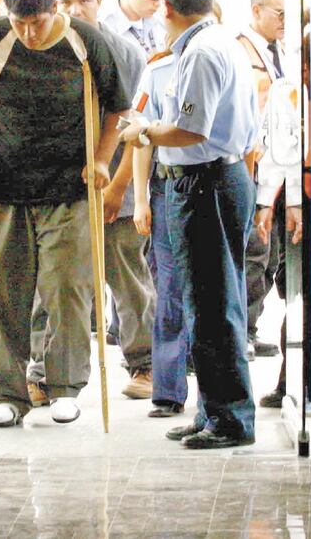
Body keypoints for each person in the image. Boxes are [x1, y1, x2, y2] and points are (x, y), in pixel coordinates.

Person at [0, 0, 129, 427]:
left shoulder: (85, 42)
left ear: (55, 9)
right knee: (1, 293)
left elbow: (118, 107)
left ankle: (63, 386)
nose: (28, 32)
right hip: (2, 190)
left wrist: (104, 159)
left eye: (38, 22)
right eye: (19, 22)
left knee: (67, 288)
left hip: (69, 188)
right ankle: (6, 395)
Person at [121, 0, 259, 449]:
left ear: (167, 9)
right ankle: (213, 410)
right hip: (213, 180)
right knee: (205, 303)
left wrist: (143, 131)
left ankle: (230, 419)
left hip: (206, 182)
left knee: (215, 304)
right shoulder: (216, 42)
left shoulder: (201, 52)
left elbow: (189, 131)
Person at [21, 0, 154, 403]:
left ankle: (145, 363)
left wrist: (118, 189)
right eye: (65, 1)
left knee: (127, 278)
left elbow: (135, 127)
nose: (76, 8)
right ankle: (44, 372)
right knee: (54, 284)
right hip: (58, 189)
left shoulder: (125, 53)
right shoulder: (40, 48)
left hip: (113, 184)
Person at [238, 0, 298, 362]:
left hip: (279, 167)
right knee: (253, 255)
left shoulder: (283, 53)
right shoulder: (240, 51)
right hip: (252, 168)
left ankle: (251, 326)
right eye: (278, 13)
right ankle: (240, 331)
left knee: (270, 257)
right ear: (256, 10)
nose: (283, 21)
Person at [132, 39, 190, 417]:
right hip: (167, 188)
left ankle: (218, 390)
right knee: (168, 288)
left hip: (213, 181)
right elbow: (141, 139)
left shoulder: (222, 61)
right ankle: (168, 390)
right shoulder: (157, 71)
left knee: (216, 289)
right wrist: (140, 200)